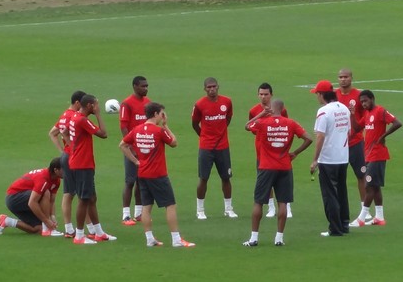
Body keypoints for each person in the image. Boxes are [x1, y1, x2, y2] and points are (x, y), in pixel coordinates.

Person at [120, 102, 196, 248]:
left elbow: (122, 145)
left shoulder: (137, 129)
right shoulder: (158, 131)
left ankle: (149, 239)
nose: (163, 116)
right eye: (162, 113)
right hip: (158, 175)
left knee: (146, 207)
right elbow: (174, 143)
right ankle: (176, 239)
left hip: (142, 174)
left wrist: (136, 161)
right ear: (155, 114)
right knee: (170, 205)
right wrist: (166, 125)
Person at [242, 99, 312, 246]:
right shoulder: (291, 123)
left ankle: (254, 238)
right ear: (283, 109)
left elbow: (247, 126)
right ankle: (279, 239)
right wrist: (295, 152)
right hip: (285, 166)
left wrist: (260, 114)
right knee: (283, 203)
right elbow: (309, 138)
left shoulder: (263, 123)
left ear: (271, 109)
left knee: (258, 202)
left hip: (266, 167)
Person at [349, 90, 403, 227]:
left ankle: (361, 219)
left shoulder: (380, 111)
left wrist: (383, 136)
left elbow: (397, 123)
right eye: (362, 102)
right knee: (376, 186)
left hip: (377, 155)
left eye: (366, 101)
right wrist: (352, 113)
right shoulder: (367, 114)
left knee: (369, 186)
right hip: (369, 154)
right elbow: (356, 128)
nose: (364, 104)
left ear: (372, 99)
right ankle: (379, 217)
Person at [68, 94, 116, 244]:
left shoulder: (75, 117)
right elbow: (103, 134)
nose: (98, 107)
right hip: (82, 164)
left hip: (81, 162)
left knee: (91, 198)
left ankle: (99, 232)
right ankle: (79, 236)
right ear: (89, 106)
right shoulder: (82, 120)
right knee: (84, 199)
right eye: (96, 104)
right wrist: (99, 115)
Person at [47, 90, 95, 238]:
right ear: (77, 103)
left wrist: (63, 151)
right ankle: (87, 229)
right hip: (74, 158)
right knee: (80, 193)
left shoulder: (64, 115)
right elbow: (64, 134)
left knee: (72, 193)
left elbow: (53, 133)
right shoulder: (73, 117)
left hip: (67, 157)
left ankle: (71, 228)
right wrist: (70, 149)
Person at [192, 77, 237, 219]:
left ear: (218, 87)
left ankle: (228, 208)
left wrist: (221, 133)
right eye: (209, 87)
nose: (212, 89)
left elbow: (228, 118)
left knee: (226, 178)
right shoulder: (199, 104)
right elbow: (194, 123)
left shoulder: (227, 102)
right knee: (203, 178)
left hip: (223, 147)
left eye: (214, 86)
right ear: (205, 89)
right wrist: (204, 136)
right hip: (206, 147)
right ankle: (200, 210)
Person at [310, 80, 351, 237]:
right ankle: (344, 223)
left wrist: (315, 159)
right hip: (343, 156)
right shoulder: (344, 109)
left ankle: (335, 228)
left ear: (322, 95)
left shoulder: (324, 112)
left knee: (329, 194)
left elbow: (320, 136)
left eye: (317, 94)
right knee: (341, 190)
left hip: (328, 159)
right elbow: (348, 131)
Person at [248, 82, 292, 218]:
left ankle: (287, 207)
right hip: (262, 153)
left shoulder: (281, 110)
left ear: (271, 95)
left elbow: (287, 128)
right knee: (266, 182)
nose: (263, 97)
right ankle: (271, 207)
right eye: (261, 94)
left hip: (279, 153)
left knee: (282, 181)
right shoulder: (254, 111)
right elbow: (251, 128)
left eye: (266, 94)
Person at [335, 68, 372, 220]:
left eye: (346, 77)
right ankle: (339, 208)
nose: (343, 79)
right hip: (338, 144)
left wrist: (356, 129)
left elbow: (365, 116)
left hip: (356, 142)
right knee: (338, 177)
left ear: (351, 78)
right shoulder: (334, 95)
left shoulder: (358, 96)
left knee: (361, 175)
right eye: (340, 77)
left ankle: (365, 209)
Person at [0, 157, 64, 236]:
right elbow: (32, 203)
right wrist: (46, 221)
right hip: (14, 198)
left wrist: (52, 217)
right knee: (45, 192)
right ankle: (48, 229)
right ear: (56, 170)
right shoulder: (43, 179)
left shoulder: (57, 180)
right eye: (65, 169)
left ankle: (7, 221)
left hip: (26, 199)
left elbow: (51, 201)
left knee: (38, 229)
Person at [119, 76, 151, 226]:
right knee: (130, 181)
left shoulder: (148, 103)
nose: (146, 88)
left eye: (147, 86)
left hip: (145, 149)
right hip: (132, 150)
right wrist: (130, 146)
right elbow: (123, 126)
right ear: (135, 87)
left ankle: (138, 213)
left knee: (141, 180)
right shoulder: (127, 104)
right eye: (143, 86)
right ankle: (126, 214)